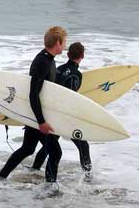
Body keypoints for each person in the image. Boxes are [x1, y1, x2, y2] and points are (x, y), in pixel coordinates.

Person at [0, 26, 67, 194]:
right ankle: (50, 189)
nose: (65, 45)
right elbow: (33, 93)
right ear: (57, 43)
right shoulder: (42, 62)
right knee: (55, 152)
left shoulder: (50, 59)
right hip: (38, 116)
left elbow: (47, 90)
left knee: (28, 148)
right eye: (64, 42)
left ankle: (0, 177)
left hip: (36, 114)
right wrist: (41, 121)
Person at [31, 42, 93, 182]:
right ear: (82, 56)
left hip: (52, 113)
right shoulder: (76, 74)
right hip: (64, 116)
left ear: (68, 54)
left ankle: (35, 168)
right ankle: (87, 175)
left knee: (52, 142)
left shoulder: (58, 69)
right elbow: (69, 96)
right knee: (83, 145)